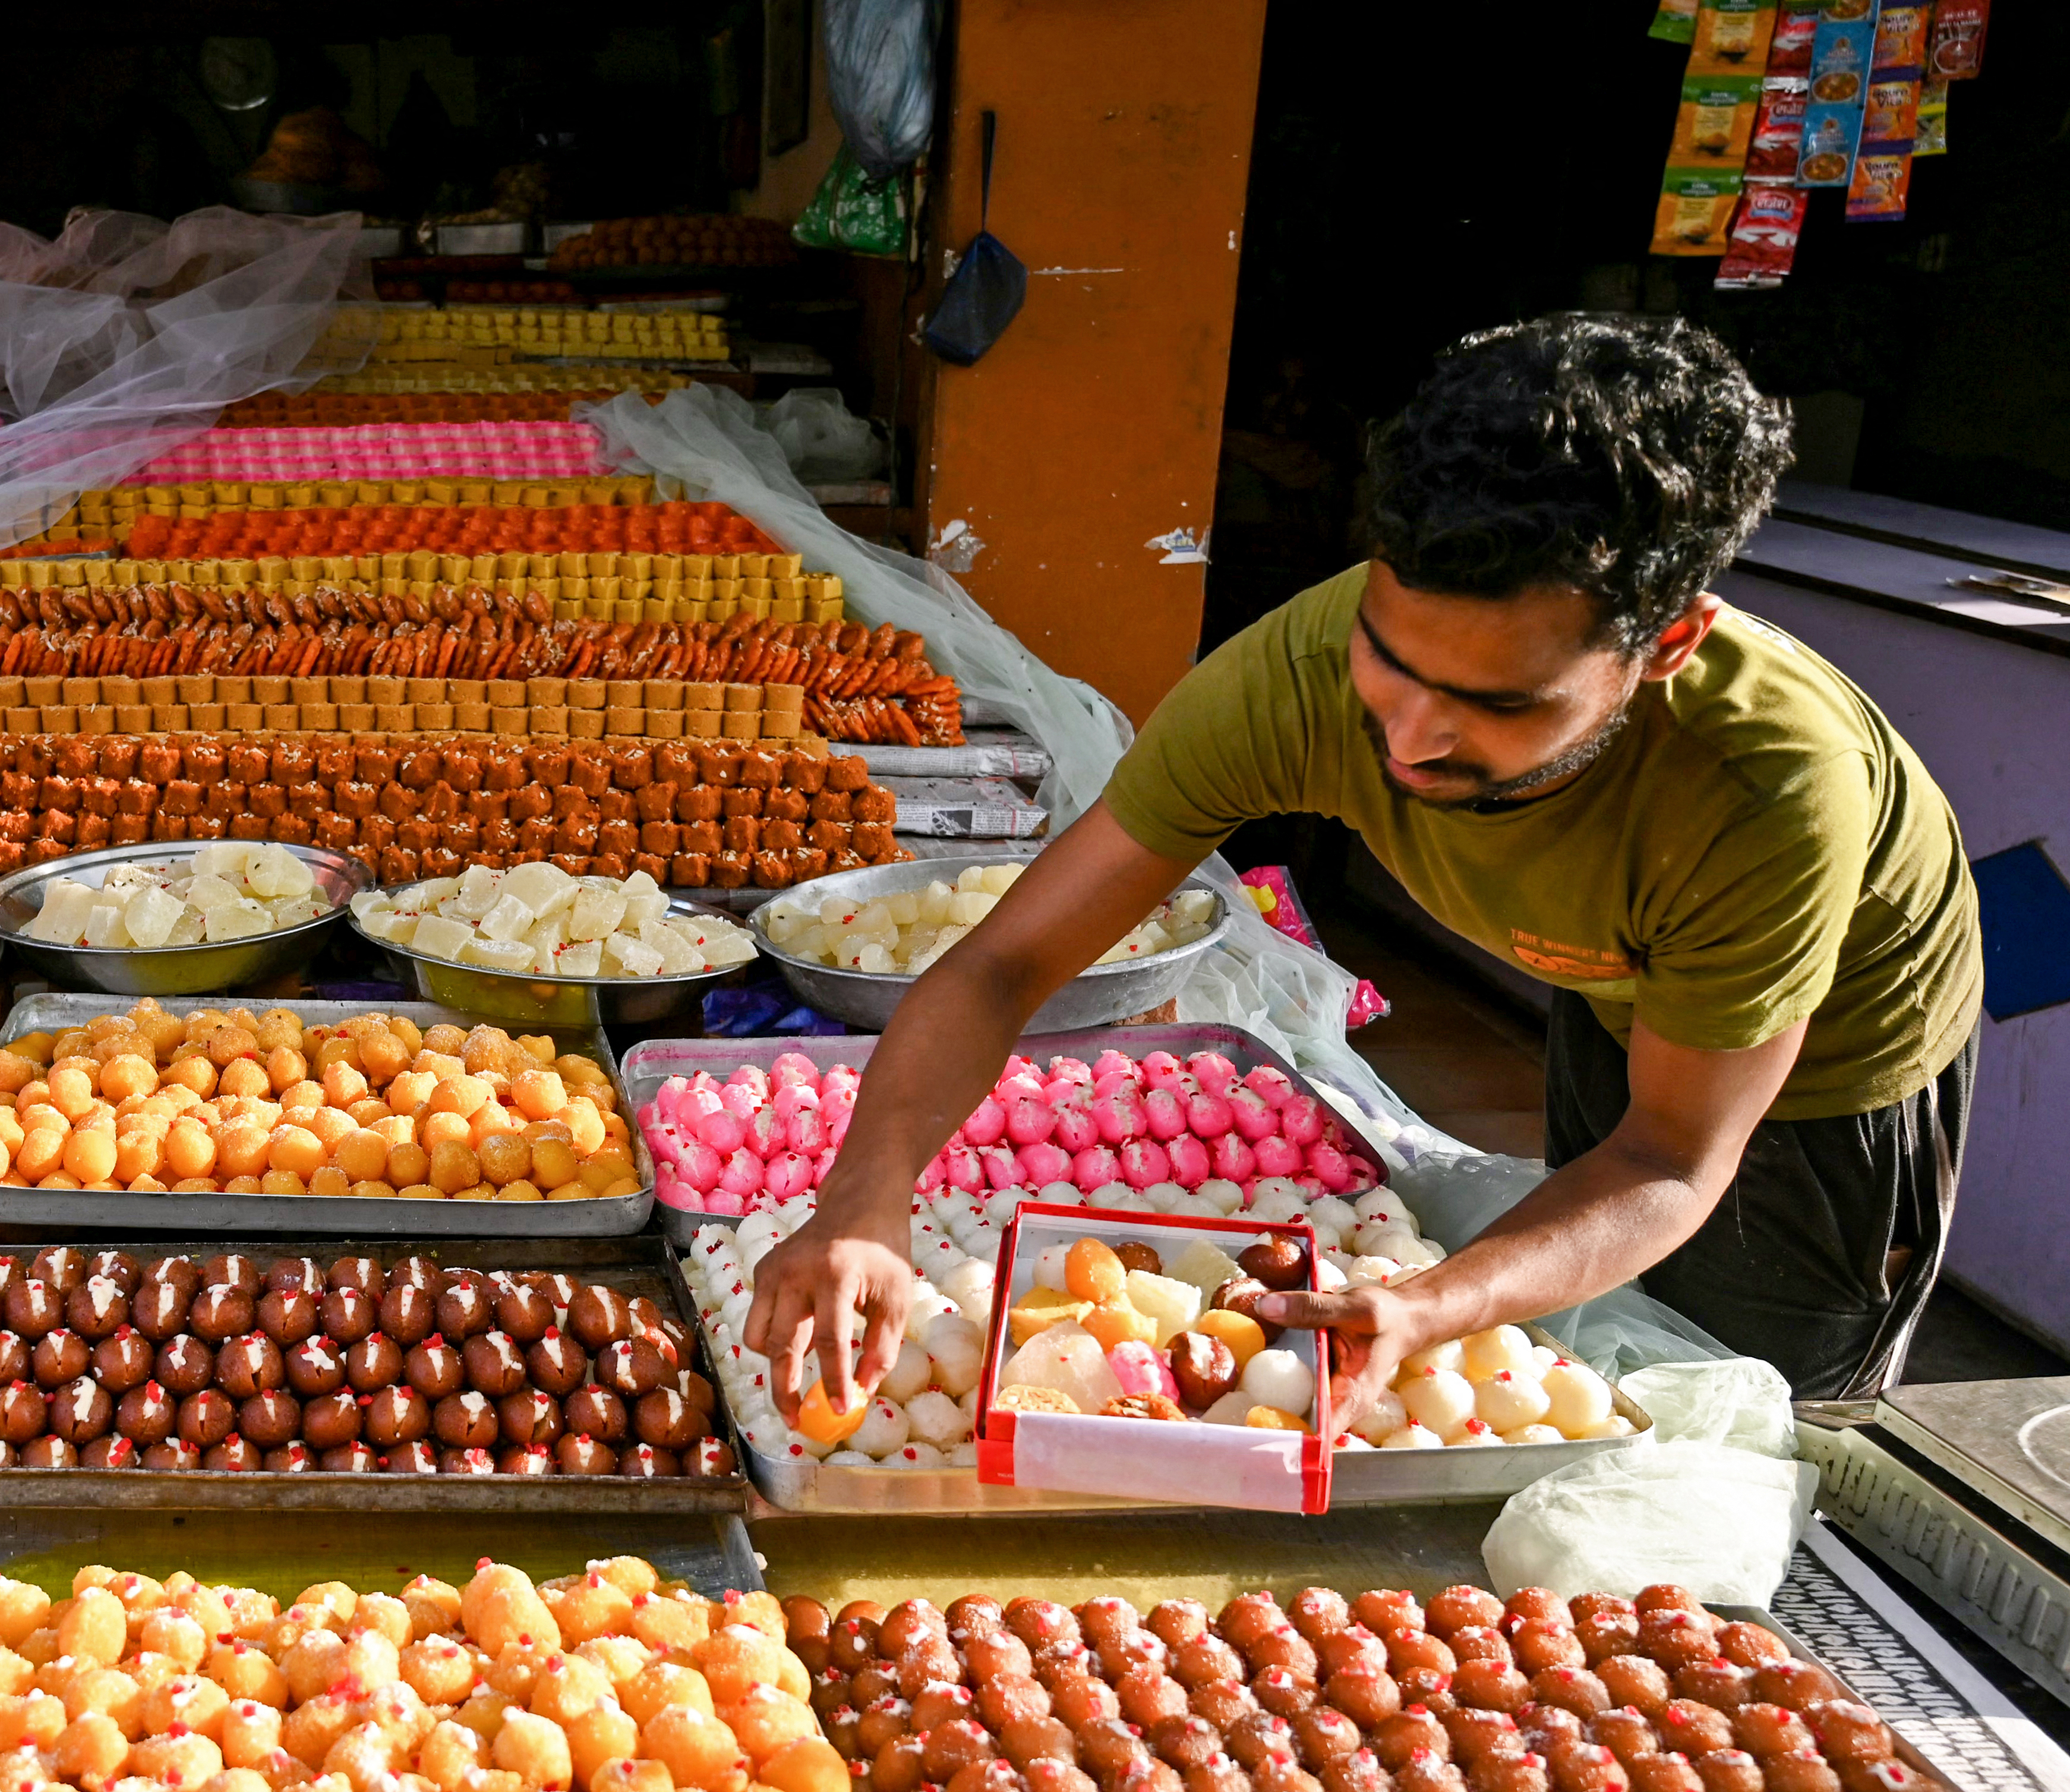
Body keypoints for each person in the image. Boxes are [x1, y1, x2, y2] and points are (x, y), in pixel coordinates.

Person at [750, 315, 1980, 1414]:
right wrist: (864, 1194)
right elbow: (1006, 961)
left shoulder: (1759, 796)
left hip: (1821, 1068)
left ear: (1663, 645)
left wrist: (1432, 1306)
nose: (1409, 737)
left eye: (1494, 704)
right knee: (1580, 1291)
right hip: (1608, 971)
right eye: (1388, 662)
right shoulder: (1284, 675)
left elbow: (1668, 1156)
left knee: (1749, 1378)